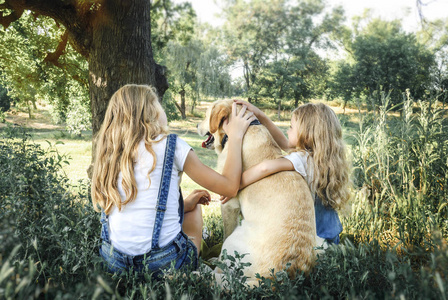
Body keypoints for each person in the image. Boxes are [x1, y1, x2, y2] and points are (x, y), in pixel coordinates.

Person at [91, 84, 255, 278]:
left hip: (113, 262)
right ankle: (191, 261)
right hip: (163, 264)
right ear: (151, 112)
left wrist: (183, 204)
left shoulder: (110, 151)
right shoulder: (171, 145)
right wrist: (235, 137)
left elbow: (137, 204)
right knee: (194, 211)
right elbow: (229, 187)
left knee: (188, 205)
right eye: (158, 103)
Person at [222, 100, 351, 248]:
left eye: (291, 127)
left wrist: (234, 185)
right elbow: (283, 143)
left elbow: (265, 167)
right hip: (331, 237)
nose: (288, 131)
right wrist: (259, 114)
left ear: (307, 135)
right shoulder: (321, 159)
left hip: (313, 242)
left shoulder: (302, 160)